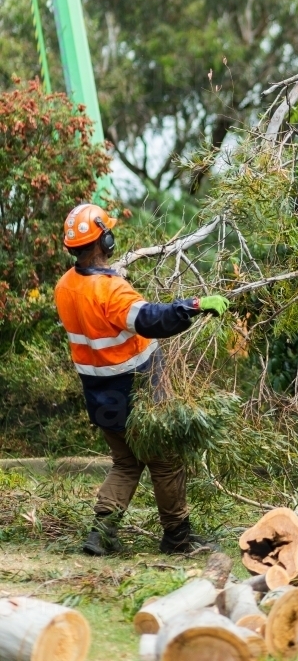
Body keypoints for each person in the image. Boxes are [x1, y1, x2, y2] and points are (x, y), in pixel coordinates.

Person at [54, 202, 229, 556]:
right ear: (106, 241)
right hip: (136, 391)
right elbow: (149, 318)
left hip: (99, 395)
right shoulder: (109, 291)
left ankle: (100, 535)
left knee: (126, 462)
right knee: (166, 462)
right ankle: (177, 538)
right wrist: (192, 306)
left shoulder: (65, 286)